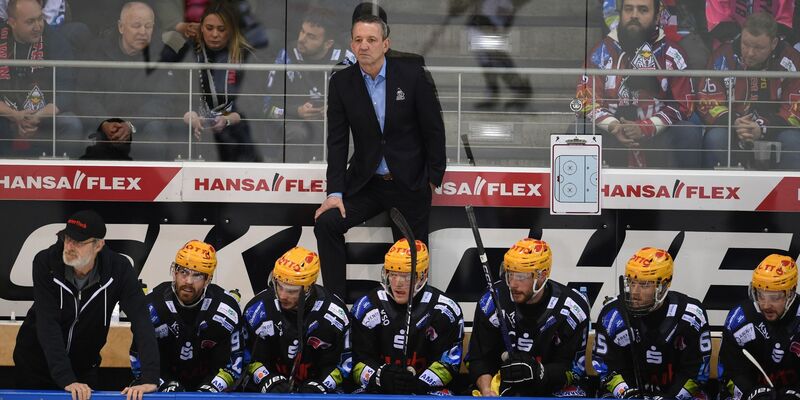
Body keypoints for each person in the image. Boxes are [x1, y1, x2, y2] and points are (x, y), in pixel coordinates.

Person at [313, 14, 446, 300]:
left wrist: (434, 177)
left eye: (371, 40)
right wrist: (334, 192)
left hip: (409, 183)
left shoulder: (412, 75)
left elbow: (434, 128)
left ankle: (412, 315)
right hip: (367, 183)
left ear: (386, 44)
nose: (364, 46)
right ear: (351, 43)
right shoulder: (341, 83)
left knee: (412, 255)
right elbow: (336, 142)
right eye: (358, 40)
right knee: (326, 223)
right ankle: (335, 306)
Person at [13, 210, 158, 400]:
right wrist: (66, 379)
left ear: (98, 245)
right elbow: (48, 324)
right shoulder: (46, 262)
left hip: (84, 367)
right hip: (36, 364)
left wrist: (149, 377)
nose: (69, 246)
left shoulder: (119, 269)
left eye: (79, 242)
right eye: (67, 238)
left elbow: (142, 321)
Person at [575, 0, 702, 168]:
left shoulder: (672, 54)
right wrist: (613, 126)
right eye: (628, 9)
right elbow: (584, 100)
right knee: (579, 128)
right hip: (612, 133)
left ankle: (685, 191)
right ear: (621, 13)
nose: (634, 15)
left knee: (688, 132)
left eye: (643, 10)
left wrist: (646, 127)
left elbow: (684, 106)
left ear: (657, 16)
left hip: (658, 134)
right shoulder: (601, 52)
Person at [466, 238, 591, 397]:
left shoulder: (572, 308)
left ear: (542, 275)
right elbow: (478, 359)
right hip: (502, 387)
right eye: (509, 274)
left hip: (551, 389)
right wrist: (487, 391)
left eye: (521, 276)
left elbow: (574, 370)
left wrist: (540, 373)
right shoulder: (491, 300)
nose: (512, 284)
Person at [592, 247, 711, 398]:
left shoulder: (691, 315)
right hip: (630, 393)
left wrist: (670, 397)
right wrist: (627, 394)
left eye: (644, 284)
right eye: (631, 282)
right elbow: (606, 366)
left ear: (664, 286)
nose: (635, 292)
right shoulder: (613, 314)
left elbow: (696, 372)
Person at [351, 239, 463, 394]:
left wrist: (419, 384)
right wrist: (380, 377)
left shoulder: (445, 311)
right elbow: (356, 363)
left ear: (423, 276)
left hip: (426, 390)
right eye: (393, 274)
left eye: (406, 276)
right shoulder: (366, 307)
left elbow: (449, 363)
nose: (397, 283)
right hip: (379, 388)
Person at [130, 240, 244, 392]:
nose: (188, 281)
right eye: (183, 272)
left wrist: (210, 389)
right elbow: (138, 359)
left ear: (207, 279)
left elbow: (233, 365)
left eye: (197, 275)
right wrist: (165, 385)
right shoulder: (152, 306)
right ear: (175, 272)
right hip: (162, 383)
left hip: (210, 387)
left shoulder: (226, 309)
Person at [78, 1, 181, 161]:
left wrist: (130, 125)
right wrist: (104, 122)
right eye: (136, 25)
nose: (143, 32)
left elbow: (164, 100)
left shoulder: (162, 54)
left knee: (156, 129)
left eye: (148, 26)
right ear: (121, 27)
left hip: (140, 128)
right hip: (102, 126)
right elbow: (83, 93)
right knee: (85, 134)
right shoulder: (96, 50)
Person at [161, 0, 261, 162]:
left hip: (233, 127)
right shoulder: (188, 53)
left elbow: (251, 105)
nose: (215, 34)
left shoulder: (245, 55)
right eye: (209, 28)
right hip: (193, 127)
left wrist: (227, 119)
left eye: (221, 29)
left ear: (231, 30)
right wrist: (191, 116)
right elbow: (176, 98)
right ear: (201, 27)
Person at [697, 12, 800, 170]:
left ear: (773, 43)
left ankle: (788, 194)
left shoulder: (792, 60)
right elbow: (707, 101)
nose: (750, 52)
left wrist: (762, 127)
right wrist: (735, 123)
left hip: (777, 127)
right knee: (716, 137)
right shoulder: (722, 57)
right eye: (745, 44)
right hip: (733, 125)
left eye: (759, 47)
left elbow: (795, 110)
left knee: (794, 140)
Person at [242, 247, 352, 393]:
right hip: (268, 390)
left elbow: (345, 363)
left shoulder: (335, 313)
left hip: (317, 389)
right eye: (279, 286)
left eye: (292, 291)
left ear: (308, 288)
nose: (282, 296)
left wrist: (321, 386)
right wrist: (267, 380)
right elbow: (245, 356)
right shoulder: (257, 309)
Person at [263, 10, 354, 163]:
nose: (301, 39)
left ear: (328, 43)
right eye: (302, 31)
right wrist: (296, 111)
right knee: (296, 132)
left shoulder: (346, 60)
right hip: (294, 121)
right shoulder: (287, 55)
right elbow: (267, 108)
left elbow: (364, 104)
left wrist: (338, 109)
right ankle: (292, 183)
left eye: (311, 36)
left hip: (336, 122)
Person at [0, 0, 83, 158]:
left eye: (40, 19)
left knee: (71, 123)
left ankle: (63, 179)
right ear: (12, 22)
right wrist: (13, 114)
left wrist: (39, 115)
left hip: (44, 116)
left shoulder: (56, 41)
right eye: (30, 22)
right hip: (6, 116)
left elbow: (66, 90)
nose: (38, 26)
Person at [718, 254, 800, 400]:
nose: (766, 305)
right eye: (761, 295)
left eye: (774, 297)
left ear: (791, 293)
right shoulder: (740, 319)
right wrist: (752, 393)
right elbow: (729, 373)